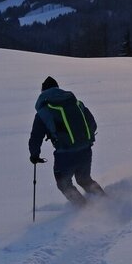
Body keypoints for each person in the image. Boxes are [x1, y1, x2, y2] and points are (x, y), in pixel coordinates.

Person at [29, 76, 106, 206]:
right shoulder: (76, 103)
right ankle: (106, 202)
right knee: (84, 180)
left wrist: (34, 155)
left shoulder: (44, 111)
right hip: (85, 150)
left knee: (64, 184)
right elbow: (93, 124)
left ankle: (83, 209)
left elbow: (36, 136)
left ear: (43, 92)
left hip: (65, 154)